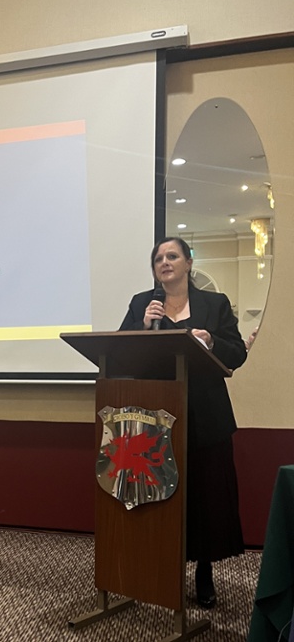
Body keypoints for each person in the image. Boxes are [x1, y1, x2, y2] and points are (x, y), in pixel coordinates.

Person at [118, 236, 247, 609]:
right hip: (156, 418)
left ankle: (204, 571)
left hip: (205, 416)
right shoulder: (142, 303)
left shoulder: (214, 304)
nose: (164, 262)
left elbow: (236, 354)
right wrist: (142, 325)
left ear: (189, 263)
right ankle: (160, 566)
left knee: (206, 496)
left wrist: (212, 341)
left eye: (172, 256)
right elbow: (120, 351)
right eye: (158, 257)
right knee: (158, 496)